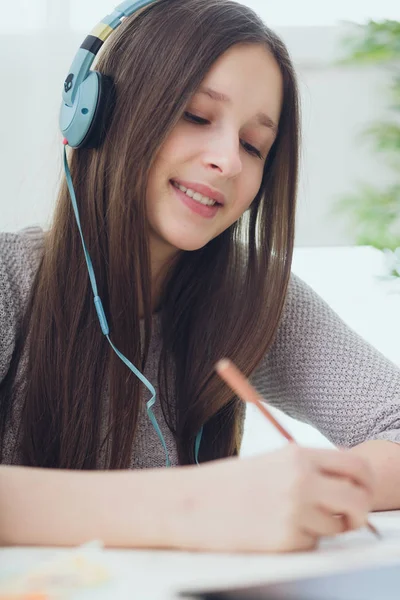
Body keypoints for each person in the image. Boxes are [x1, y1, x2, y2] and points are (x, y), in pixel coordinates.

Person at [1, 0, 400, 553]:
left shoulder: (252, 295)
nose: (230, 162)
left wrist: (306, 489)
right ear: (97, 115)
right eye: (195, 115)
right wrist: (196, 504)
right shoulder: (7, 279)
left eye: (253, 144)